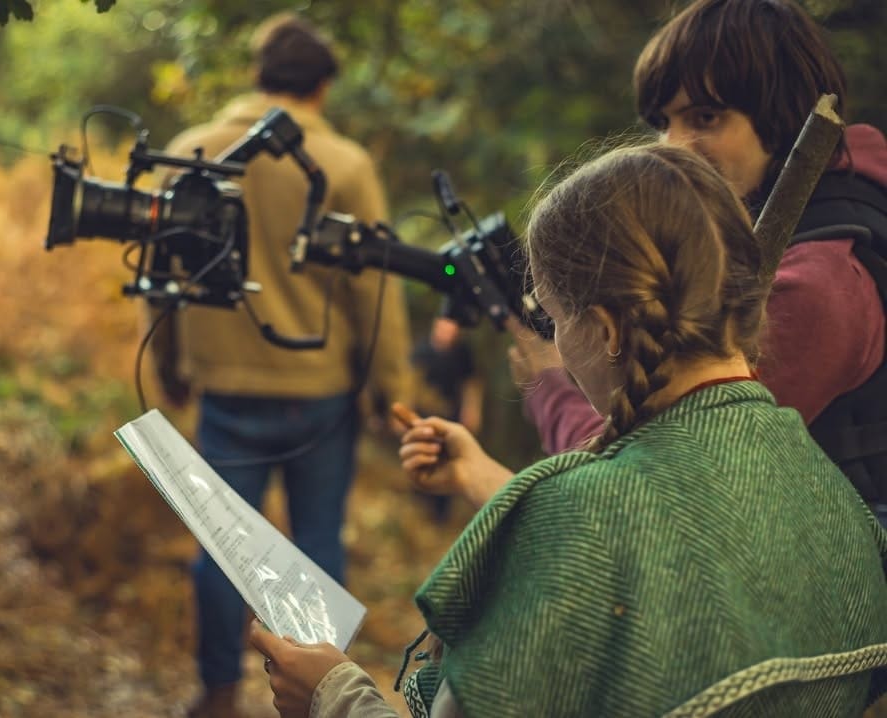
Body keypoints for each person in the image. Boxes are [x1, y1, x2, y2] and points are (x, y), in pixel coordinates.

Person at [250, 142, 887, 718]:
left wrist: (333, 692)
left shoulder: (575, 519)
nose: (555, 342)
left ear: (607, 329)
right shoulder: (836, 497)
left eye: (554, 318)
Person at [513, 0, 887, 525]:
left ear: (784, 119)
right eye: (663, 123)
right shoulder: (820, 229)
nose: (675, 147)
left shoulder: (817, 284)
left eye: (706, 117)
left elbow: (655, 478)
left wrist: (550, 383)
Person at [146, 13, 412, 717]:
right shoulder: (346, 166)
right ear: (322, 87)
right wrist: (393, 391)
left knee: (220, 552)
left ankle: (219, 690)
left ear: (258, 79)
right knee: (318, 540)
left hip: (224, 386)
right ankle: (319, 695)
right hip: (319, 395)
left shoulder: (192, 149)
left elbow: (162, 269)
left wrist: (169, 357)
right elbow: (373, 289)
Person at [408, 316, 483, 522]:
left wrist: (472, 410)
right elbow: (410, 381)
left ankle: (440, 514)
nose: (446, 331)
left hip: (451, 417)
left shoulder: (462, 353)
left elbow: (471, 383)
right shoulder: (422, 349)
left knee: (447, 460)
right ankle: (419, 505)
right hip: (424, 415)